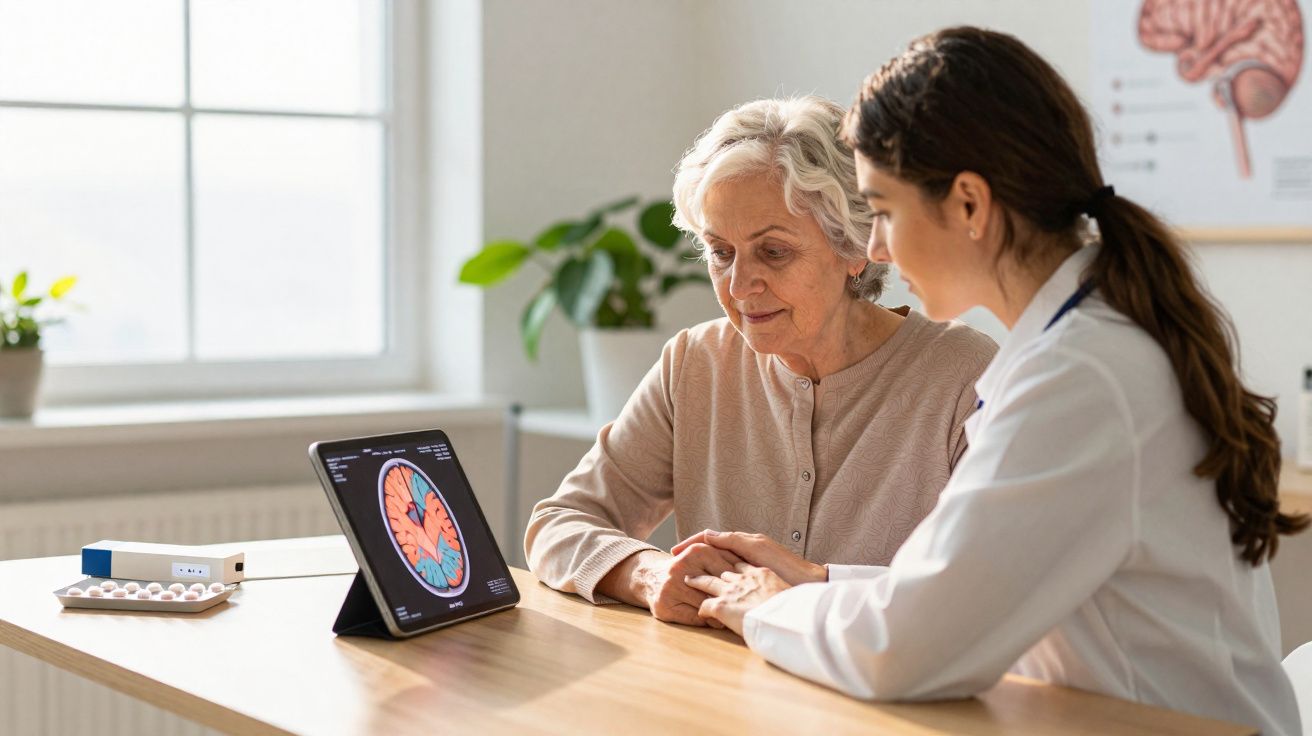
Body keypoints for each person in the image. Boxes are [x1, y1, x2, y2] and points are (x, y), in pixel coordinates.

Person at [682, 27, 1307, 735]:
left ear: (970, 205)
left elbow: (906, 652)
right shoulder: (1084, 344)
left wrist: (765, 604)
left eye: (882, 210)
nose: (875, 246)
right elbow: (986, 580)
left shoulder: (1083, 377)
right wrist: (819, 580)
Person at [524, 96, 996, 626]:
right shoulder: (695, 363)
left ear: (857, 247)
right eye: (720, 252)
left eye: (774, 252)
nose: (740, 285)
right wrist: (648, 573)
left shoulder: (966, 378)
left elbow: (985, 596)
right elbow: (560, 523)